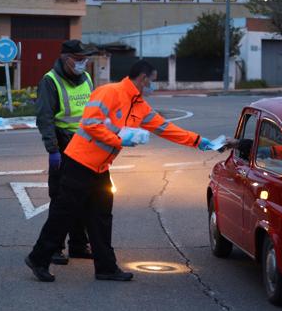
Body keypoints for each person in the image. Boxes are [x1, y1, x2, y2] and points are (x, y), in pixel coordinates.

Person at [25, 60, 215, 282]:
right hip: (78, 163)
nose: (152, 86)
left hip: (100, 167)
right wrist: (118, 138)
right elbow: (90, 124)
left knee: (101, 217)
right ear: (143, 79)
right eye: (152, 81)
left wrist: (200, 142)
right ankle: (38, 258)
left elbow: (166, 129)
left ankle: (106, 268)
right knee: (63, 214)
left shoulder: (139, 105)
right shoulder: (109, 92)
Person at [35, 40, 95, 265]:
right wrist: (53, 150)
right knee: (61, 199)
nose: (83, 64)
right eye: (78, 60)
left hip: (85, 146)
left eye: (85, 59)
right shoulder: (50, 81)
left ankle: (78, 245)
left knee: (82, 197)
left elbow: (93, 110)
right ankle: (53, 248)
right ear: (65, 58)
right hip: (63, 145)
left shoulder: (87, 78)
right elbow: (44, 118)